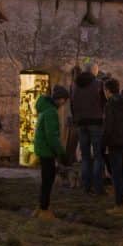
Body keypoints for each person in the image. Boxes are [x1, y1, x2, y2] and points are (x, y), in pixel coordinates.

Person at [32, 85, 69, 220]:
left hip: (42, 148)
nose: (64, 103)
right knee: (48, 179)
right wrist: (61, 153)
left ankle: (41, 206)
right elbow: (52, 136)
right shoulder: (51, 112)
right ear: (60, 99)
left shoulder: (45, 108)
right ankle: (44, 209)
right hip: (47, 150)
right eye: (64, 100)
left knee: (45, 179)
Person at [71, 61, 106, 195]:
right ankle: (98, 187)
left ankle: (86, 186)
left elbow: (72, 105)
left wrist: (76, 119)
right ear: (95, 72)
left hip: (80, 123)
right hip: (96, 122)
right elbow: (104, 103)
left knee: (85, 157)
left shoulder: (74, 85)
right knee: (98, 156)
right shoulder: (98, 84)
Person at [102, 77, 123, 213]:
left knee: (116, 175)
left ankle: (119, 204)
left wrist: (104, 143)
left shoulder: (110, 104)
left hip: (115, 143)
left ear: (107, 90)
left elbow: (108, 126)